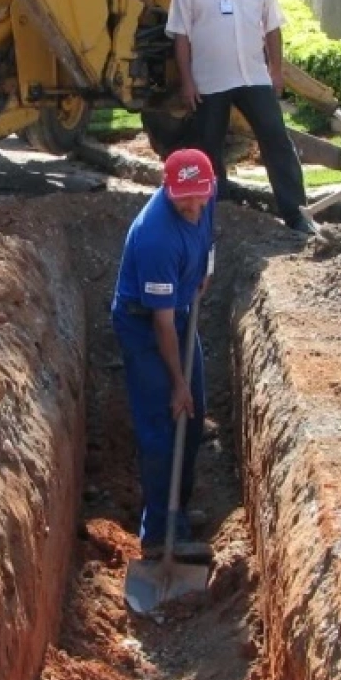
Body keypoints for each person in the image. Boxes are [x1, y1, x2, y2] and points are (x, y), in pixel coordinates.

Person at [166, 0, 314, 234]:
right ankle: (219, 213)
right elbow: (181, 36)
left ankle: (297, 215)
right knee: (208, 148)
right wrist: (188, 81)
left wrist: (276, 70)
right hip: (210, 82)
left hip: (253, 77)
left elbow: (272, 26)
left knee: (277, 140)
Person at [111, 148, 216, 561]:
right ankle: (157, 534)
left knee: (193, 416)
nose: (192, 205)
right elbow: (162, 325)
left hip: (182, 307)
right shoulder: (157, 237)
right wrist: (177, 382)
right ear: (166, 188)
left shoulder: (206, 193)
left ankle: (179, 516)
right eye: (183, 198)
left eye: (198, 196)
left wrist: (204, 267)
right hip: (145, 323)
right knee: (162, 423)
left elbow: (210, 231)